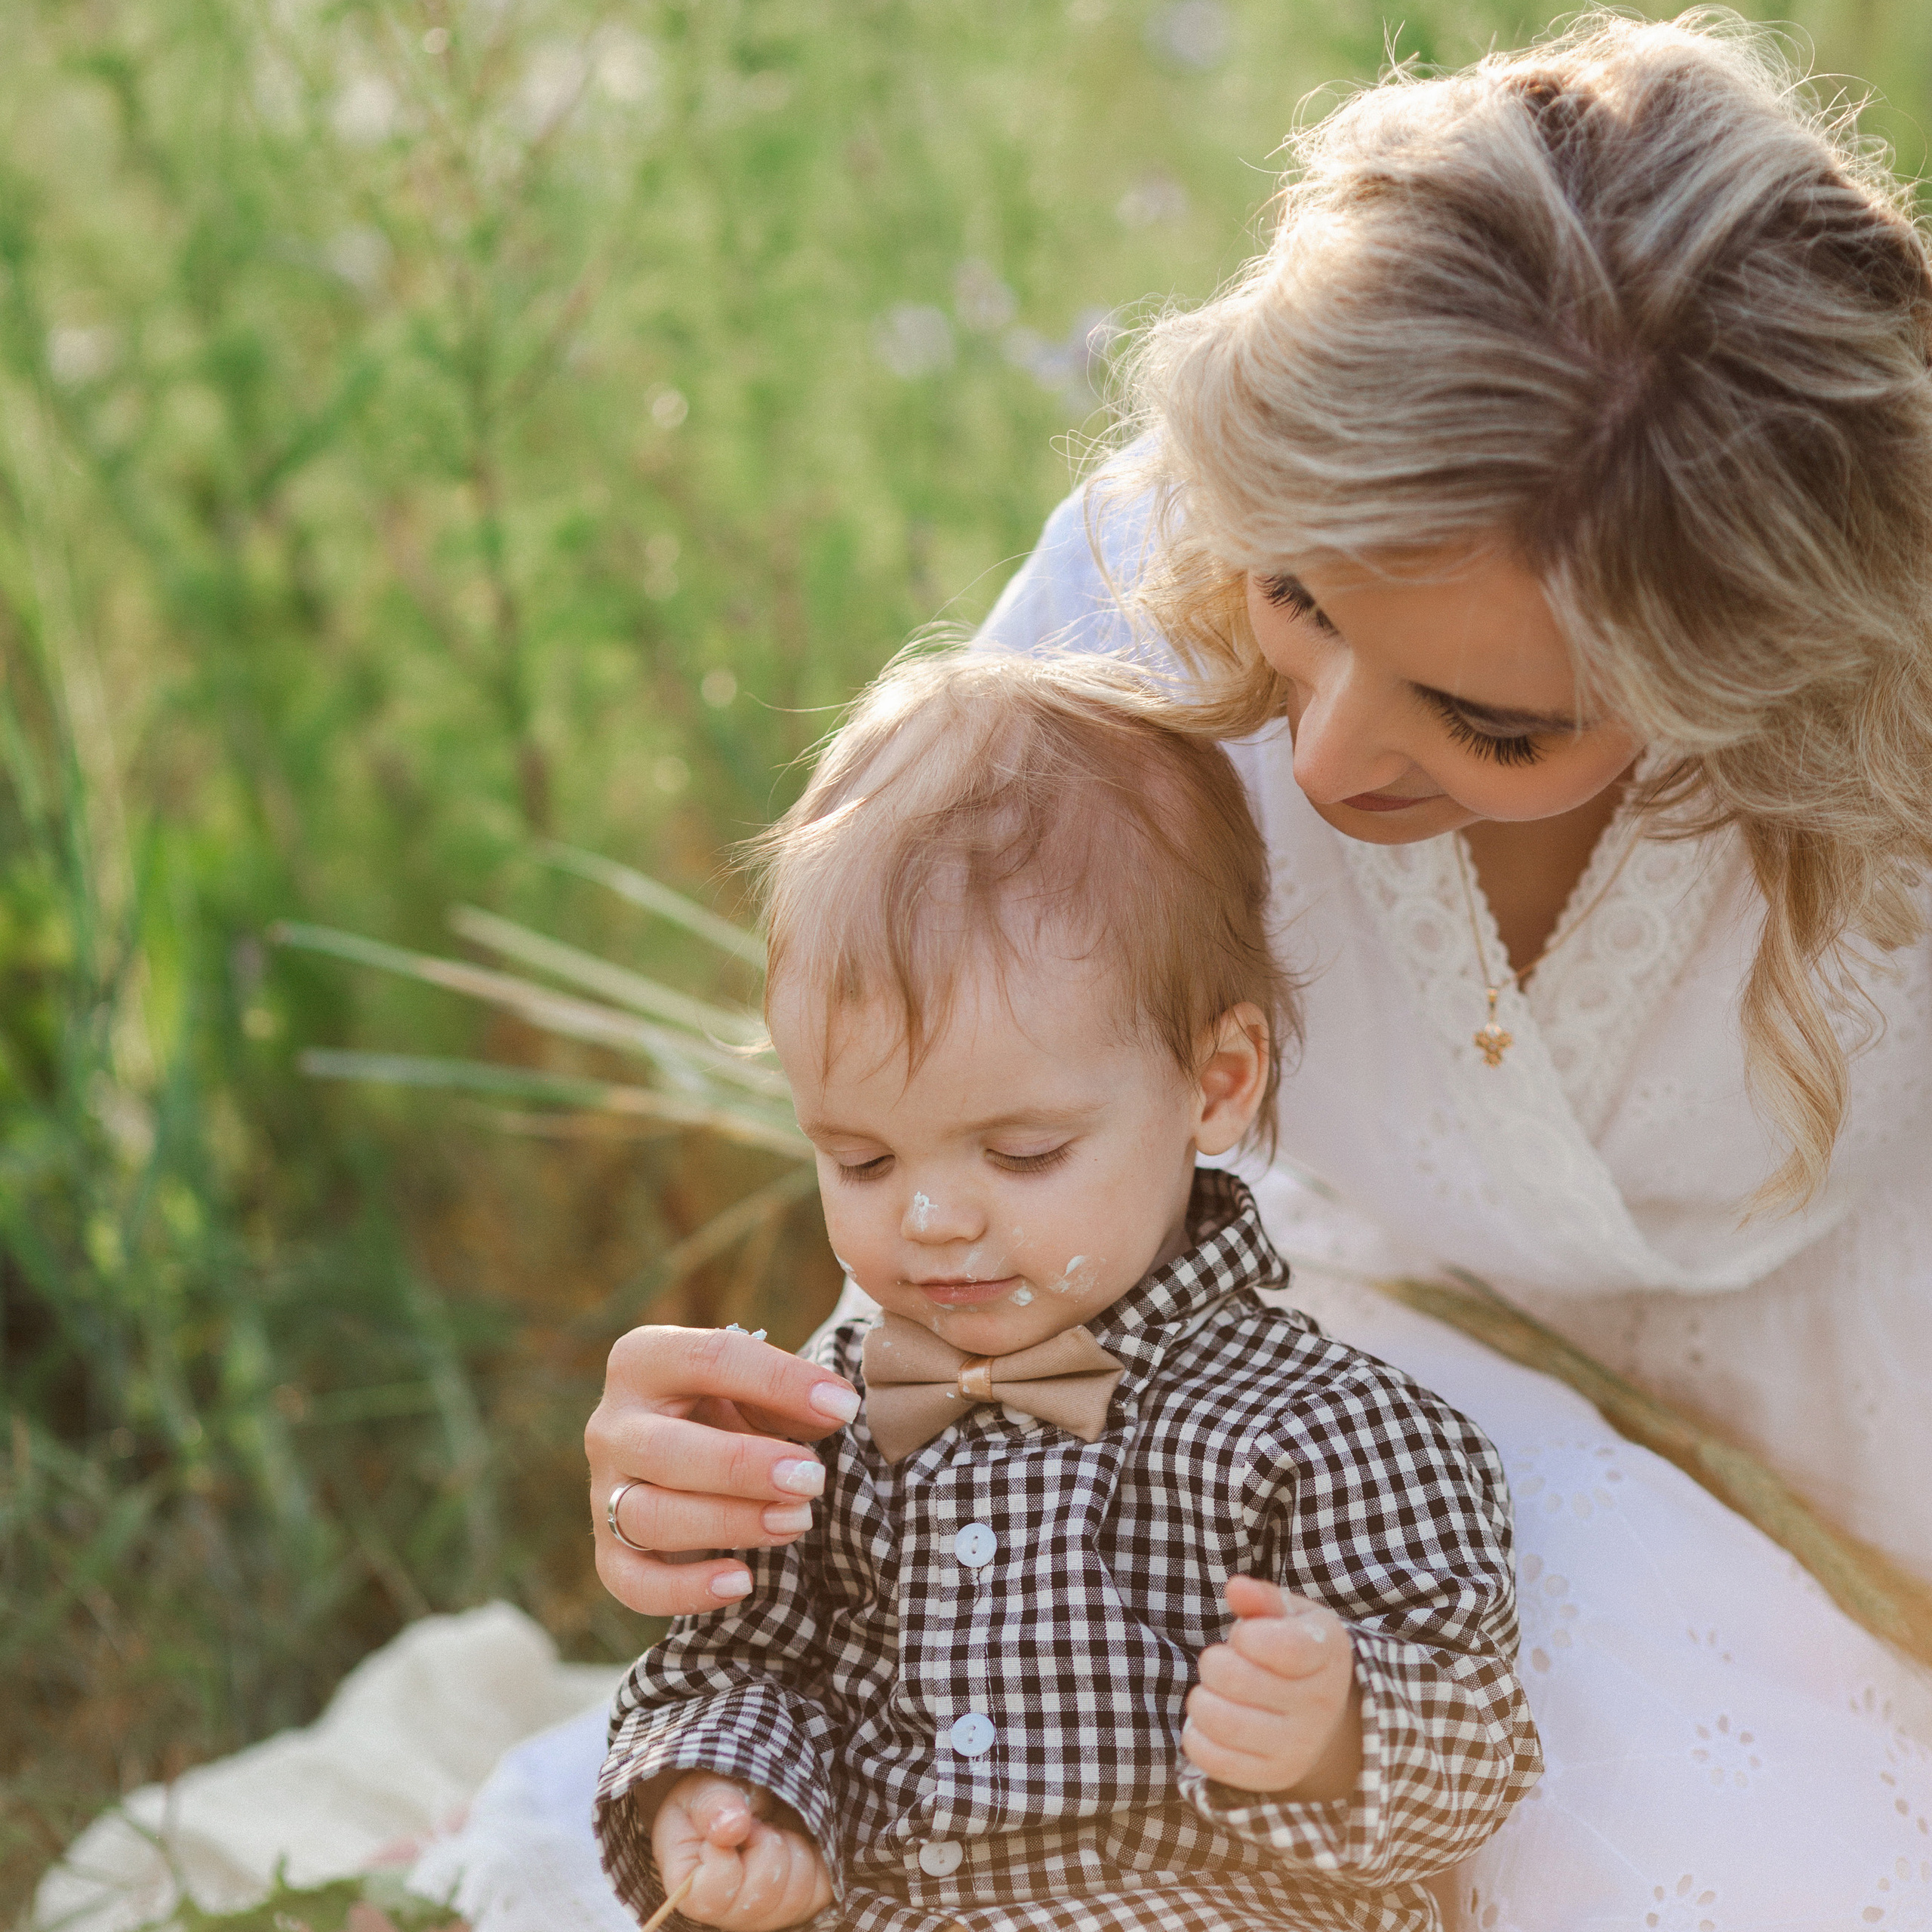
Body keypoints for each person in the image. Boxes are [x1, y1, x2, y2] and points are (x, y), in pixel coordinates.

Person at [584, 12, 1932, 1924]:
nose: (1316, 761)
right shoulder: (1132, 607)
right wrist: (752, 1456)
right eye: (1297, 597)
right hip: (1369, 1407)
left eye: (1487, 719)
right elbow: (979, 1141)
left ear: (1753, 686)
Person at [593, 651, 1540, 1932]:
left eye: (1024, 1153)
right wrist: (726, 1795)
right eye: (860, 1157)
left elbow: (1478, 1730)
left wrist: (1338, 1725)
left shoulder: (1322, 1429)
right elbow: (737, 1663)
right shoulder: (821, 1429)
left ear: (1215, 1084)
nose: (931, 1219)